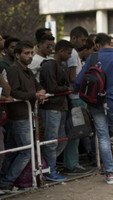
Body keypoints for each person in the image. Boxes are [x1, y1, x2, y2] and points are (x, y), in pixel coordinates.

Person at [75, 33, 113, 184]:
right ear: (110, 43)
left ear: (97, 45)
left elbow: (79, 80)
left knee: (102, 137)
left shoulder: (93, 58)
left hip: (96, 103)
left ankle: (110, 173)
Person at [0, 41, 46, 191]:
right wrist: (34, 95)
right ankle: (7, 180)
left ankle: (4, 181)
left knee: (13, 150)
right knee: (26, 151)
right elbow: (13, 92)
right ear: (17, 55)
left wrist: (41, 92)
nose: (30, 56)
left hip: (26, 114)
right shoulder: (14, 70)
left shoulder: (28, 70)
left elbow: (37, 85)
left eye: (31, 53)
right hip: (19, 115)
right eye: (26, 53)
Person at [39, 40, 73, 182]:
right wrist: (66, 89)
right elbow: (52, 87)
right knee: (51, 141)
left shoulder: (60, 65)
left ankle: (49, 166)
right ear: (61, 51)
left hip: (60, 106)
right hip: (51, 107)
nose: (70, 56)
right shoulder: (49, 65)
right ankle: (49, 170)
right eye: (68, 53)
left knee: (62, 139)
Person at [63, 26, 91, 175]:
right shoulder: (73, 53)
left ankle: (72, 163)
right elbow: (73, 78)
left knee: (77, 132)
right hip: (75, 98)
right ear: (74, 38)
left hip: (76, 97)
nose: (84, 43)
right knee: (76, 132)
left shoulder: (72, 53)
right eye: (82, 40)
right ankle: (71, 164)